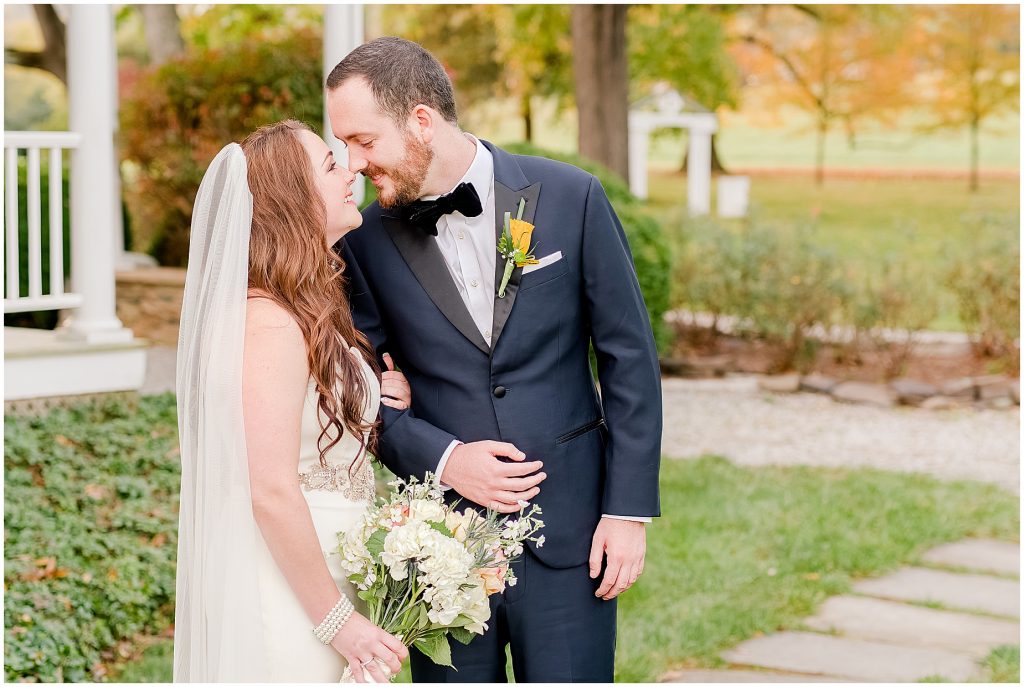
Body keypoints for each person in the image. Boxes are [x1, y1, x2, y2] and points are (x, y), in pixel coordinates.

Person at [328, 38, 663, 682]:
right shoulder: (364, 241)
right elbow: (361, 395)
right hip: (435, 551)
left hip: (572, 539)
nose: (354, 161)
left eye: (364, 140)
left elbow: (629, 360)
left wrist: (626, 513)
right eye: (344, 145)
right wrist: (448, 460)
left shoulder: (572, 197)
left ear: (421, 119)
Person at [174, 120, 410, 683]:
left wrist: (376, 396)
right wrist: (336, 622)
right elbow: (270, 488)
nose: (351, 169)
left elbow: (308, 422)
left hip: (329, 576)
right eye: (331, 166)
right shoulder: (267, 324)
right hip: (292, 597)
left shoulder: (298, 308)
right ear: (292, 200)